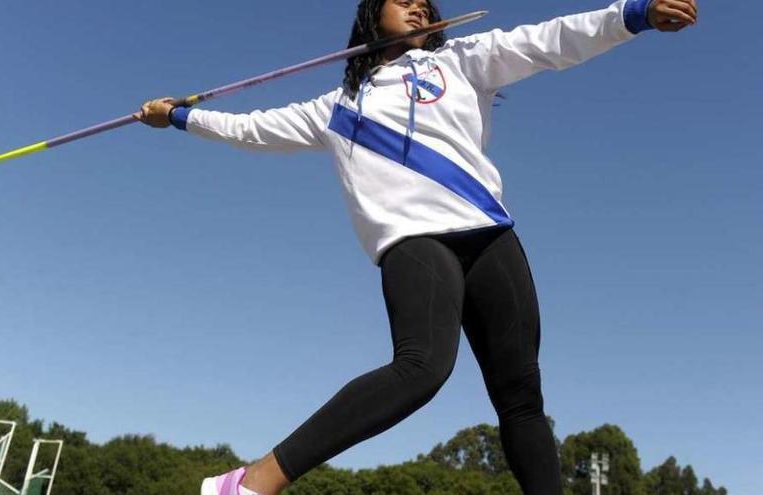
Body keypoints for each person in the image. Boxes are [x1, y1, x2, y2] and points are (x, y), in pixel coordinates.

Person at [135, 0, 698, 493]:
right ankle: (251, 482)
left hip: (490, 234)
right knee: (422, 368)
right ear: (370, 16)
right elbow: (250, 128)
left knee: (523, 397)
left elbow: (548, 40)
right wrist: (179, 117)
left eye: (426, 5)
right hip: (414, 240)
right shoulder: (334, 109)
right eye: (403, 0)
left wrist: (633, 14)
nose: (420, 8)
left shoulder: (464, 60)